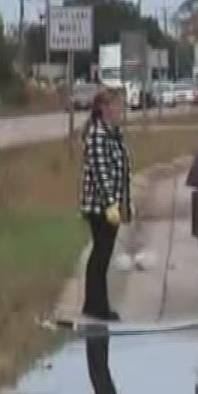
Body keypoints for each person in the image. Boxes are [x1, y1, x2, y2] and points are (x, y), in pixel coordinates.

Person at [77, 86, 133, 322]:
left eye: (121, 104)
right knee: (101, 254)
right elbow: (101, 172)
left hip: (110, 204)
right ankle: (98, 306)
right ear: (104, 108)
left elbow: (120, 170)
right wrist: (111, 204)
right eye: (116, 104)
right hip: (100, 206)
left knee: (103, 254)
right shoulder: (98, 135)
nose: (121, 109)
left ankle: (93, 303)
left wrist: (125, 203)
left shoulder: (112, 133)